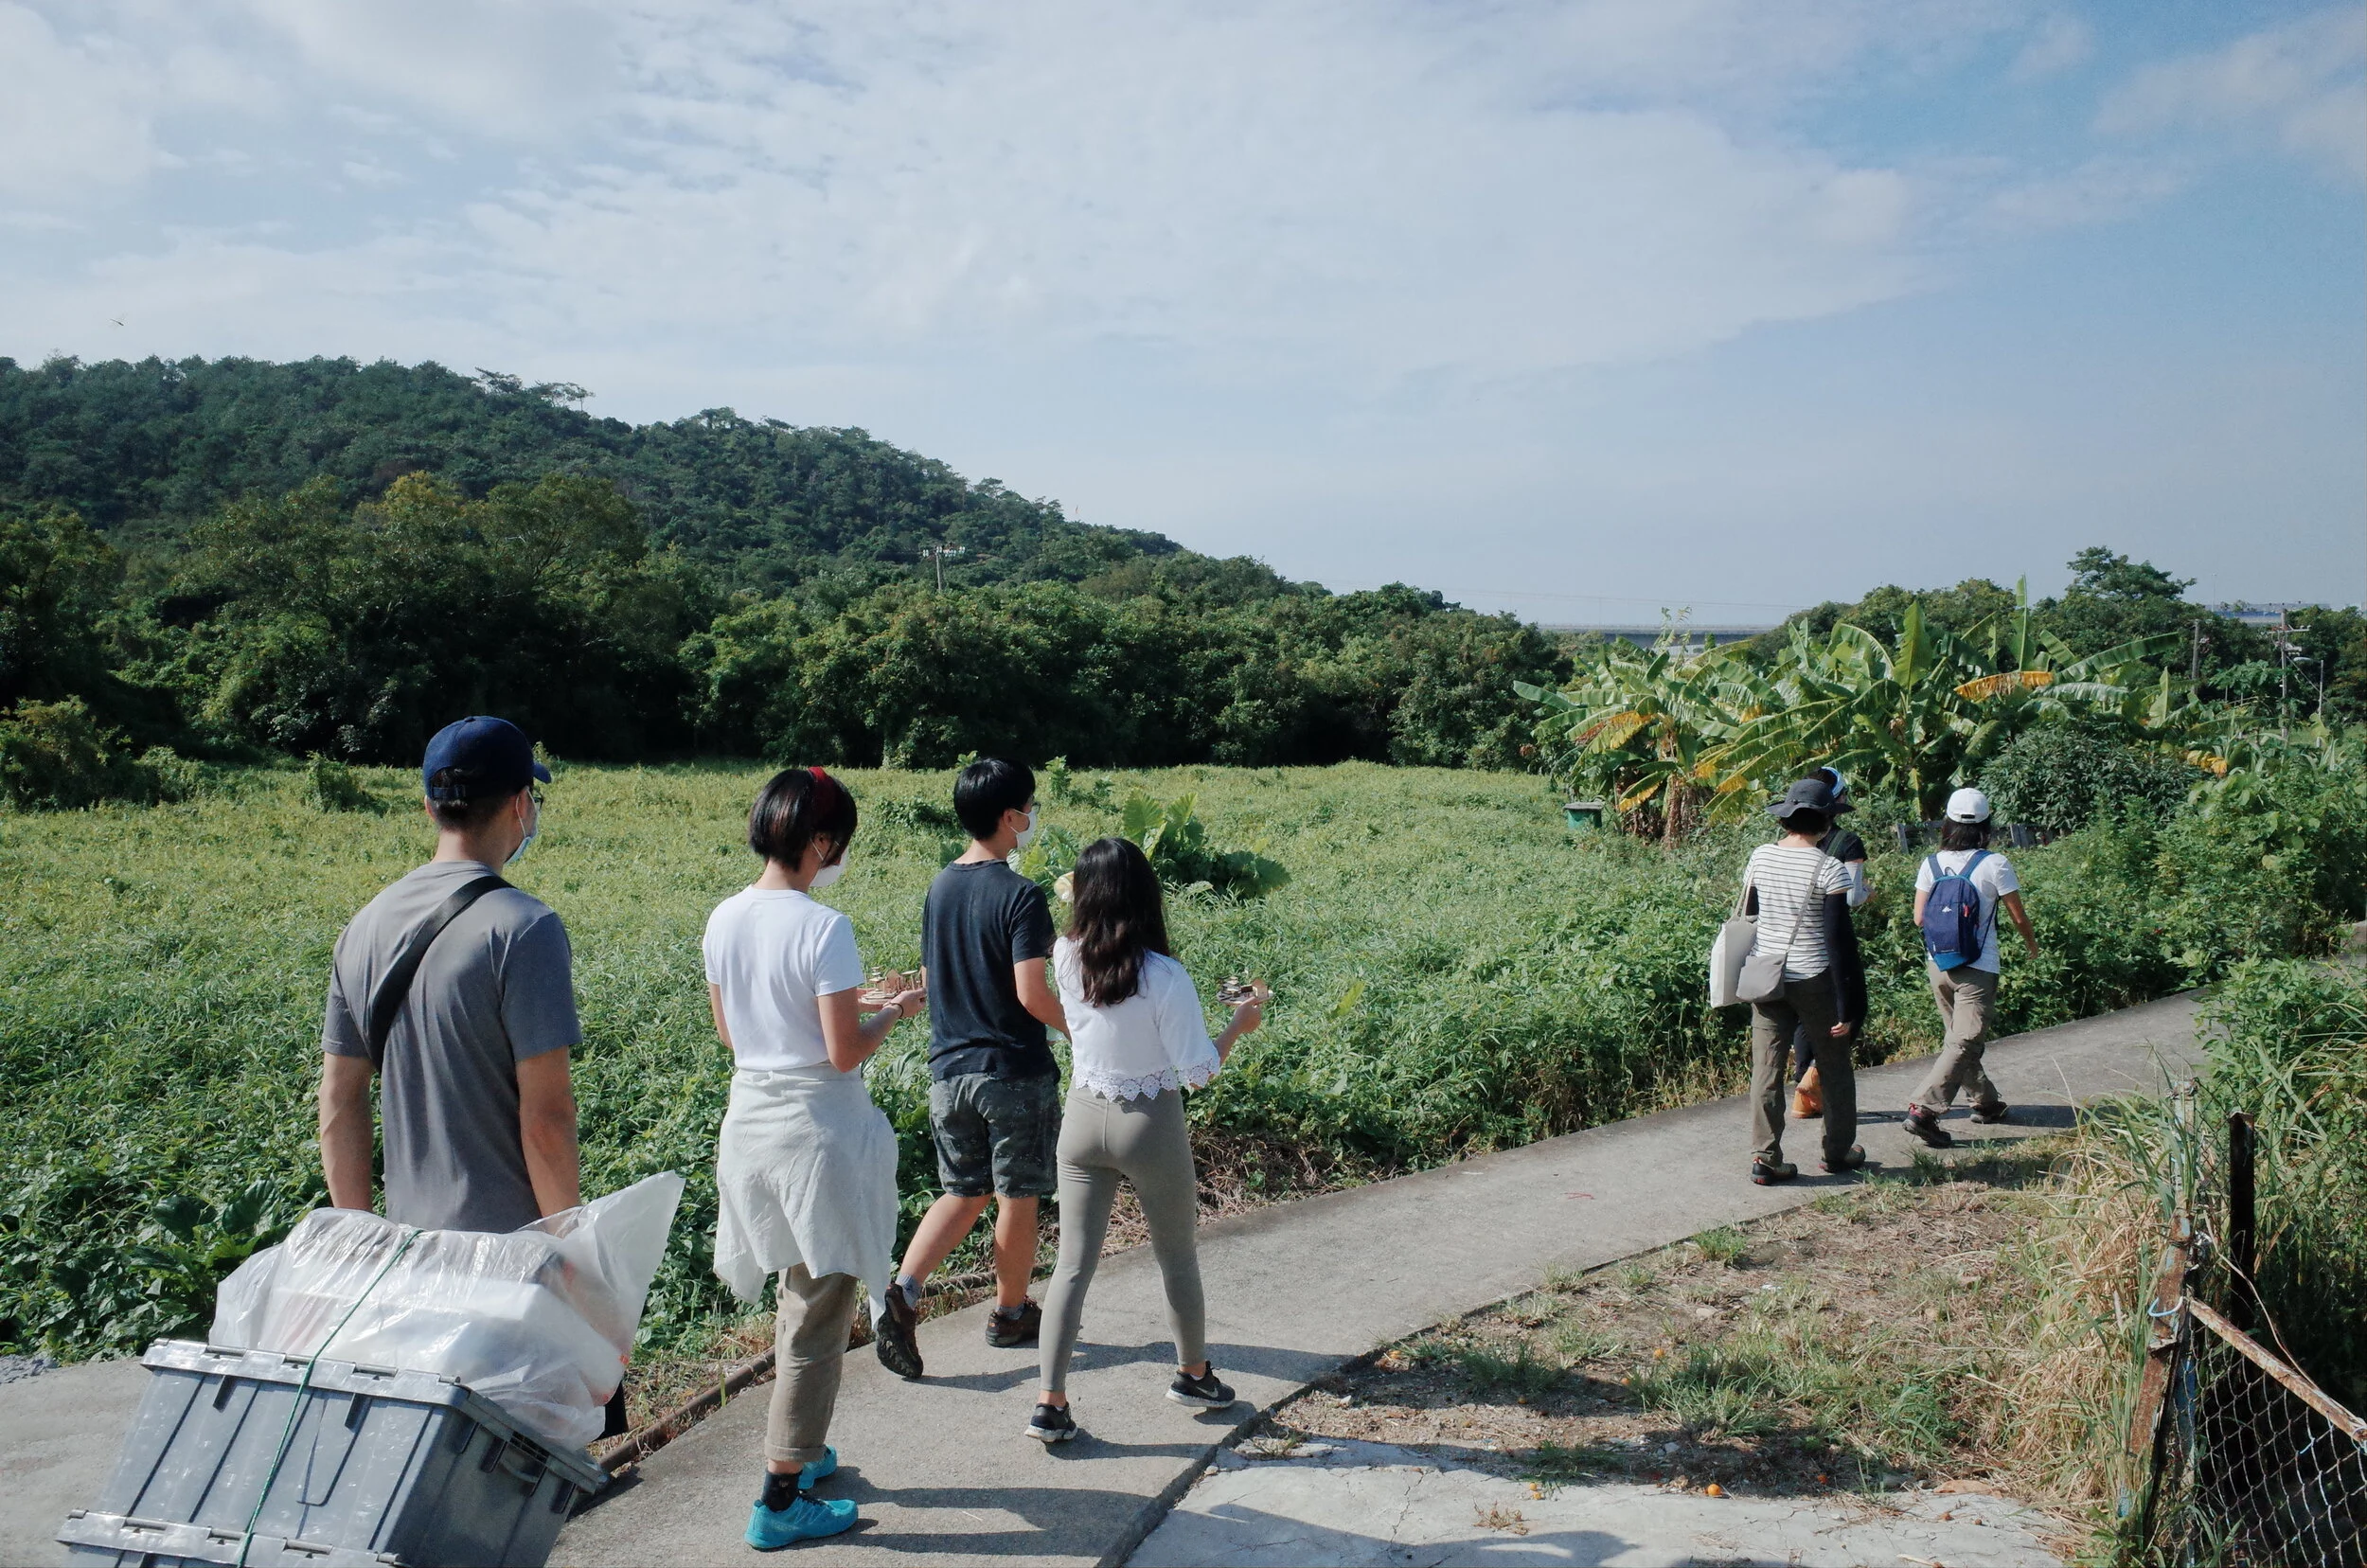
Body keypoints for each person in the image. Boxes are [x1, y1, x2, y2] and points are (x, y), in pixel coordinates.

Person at [317, 717, 618, 1430]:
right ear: (521, 804)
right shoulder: (524, 927)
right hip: (509, 1268)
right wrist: (568, 1252)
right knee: (521, 1477)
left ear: (428, 806)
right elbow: (545, 1118)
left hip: (411, 1262)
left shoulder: (363, 927)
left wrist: (362, 1240)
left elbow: (339, 1102)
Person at [705, 767, 926, 1550]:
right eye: (841, 846)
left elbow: (738, 1034)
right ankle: (779, 1495)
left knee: (797, 1295)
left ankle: (799, 1444)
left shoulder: (724, 917)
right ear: (823, 843)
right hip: (816, 1140)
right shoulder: (823, 926)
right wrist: (894, 1011)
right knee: (818, 1311)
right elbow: (840, 1055)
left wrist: (846, 1002)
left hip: (752, 1127)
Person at [1026, 837, 1263, 1443]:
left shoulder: (1063, 954)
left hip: (1081, 1119)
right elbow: (1198, 1071)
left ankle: (1049, 1403)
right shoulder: (1164, 975)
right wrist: (1241, 1020)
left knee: (1072, 1265)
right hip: (1148, 1121)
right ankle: (1192, 1374)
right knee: (1176, 1255)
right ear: (1145, 895)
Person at [874, 758, 1065, 1380]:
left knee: (962, 1191)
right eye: (1029, 809)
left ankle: (903, 1292)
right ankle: (1011, 1312)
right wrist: (1083, 1031)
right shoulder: (1021, 894)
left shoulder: (940, 888)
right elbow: (1033, 993)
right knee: (1018, 1195)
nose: (1032, 819)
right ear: (1011, 817)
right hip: (1010, 1068)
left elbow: (932, 978)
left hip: (948, 1071)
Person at [1741, 776, 1868, 1185]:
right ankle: (1837, 1153)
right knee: (1834, 1067)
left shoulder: (1760, 857)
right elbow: (1838, 942)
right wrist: (1851, 1006)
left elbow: (1753, 913)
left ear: (1786, 819)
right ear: (1826, 823)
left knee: (1767, 1068)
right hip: (1814, 979)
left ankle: (1766, 1157)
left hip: (1766, 975)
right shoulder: (1829, 869)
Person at [1904, 787, 2039, 1149]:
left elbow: (1919, 918)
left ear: (1946, 824)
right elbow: (2017, 915)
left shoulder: (1930, 864)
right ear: (1986, 825)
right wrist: (2031, 944)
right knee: (1963, 1041)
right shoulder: (1995, 863)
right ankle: (1925, 1111)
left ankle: (1986, 1103)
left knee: (1959, 1041)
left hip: (1939, 964)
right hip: (1978, 966)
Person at [1789, 765, 1870, 1121]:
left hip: (1791, 941)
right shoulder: (1847, 842)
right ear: (1835, 801)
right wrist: (1869, 893)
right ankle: (1814, 1079)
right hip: (1828, 938)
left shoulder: (1789, 841)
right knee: (1846, 1013)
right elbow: (1851, 898)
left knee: (1803, 1020)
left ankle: (1804, 1093)